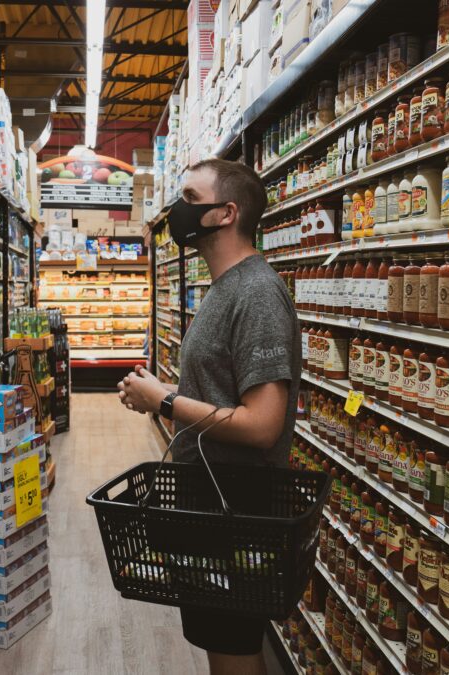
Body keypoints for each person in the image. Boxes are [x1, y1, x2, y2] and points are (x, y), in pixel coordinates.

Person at [117, 158, 300, 675]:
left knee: (234, 652)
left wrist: (166, 403)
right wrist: (165, 390)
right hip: (212, 504)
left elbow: (263, 424)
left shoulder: (257, 293)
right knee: (223, 644)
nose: (179, 210)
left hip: (237, 511)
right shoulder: (226, 288)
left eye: (190, 199)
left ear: (226, 213)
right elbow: (223, 390)